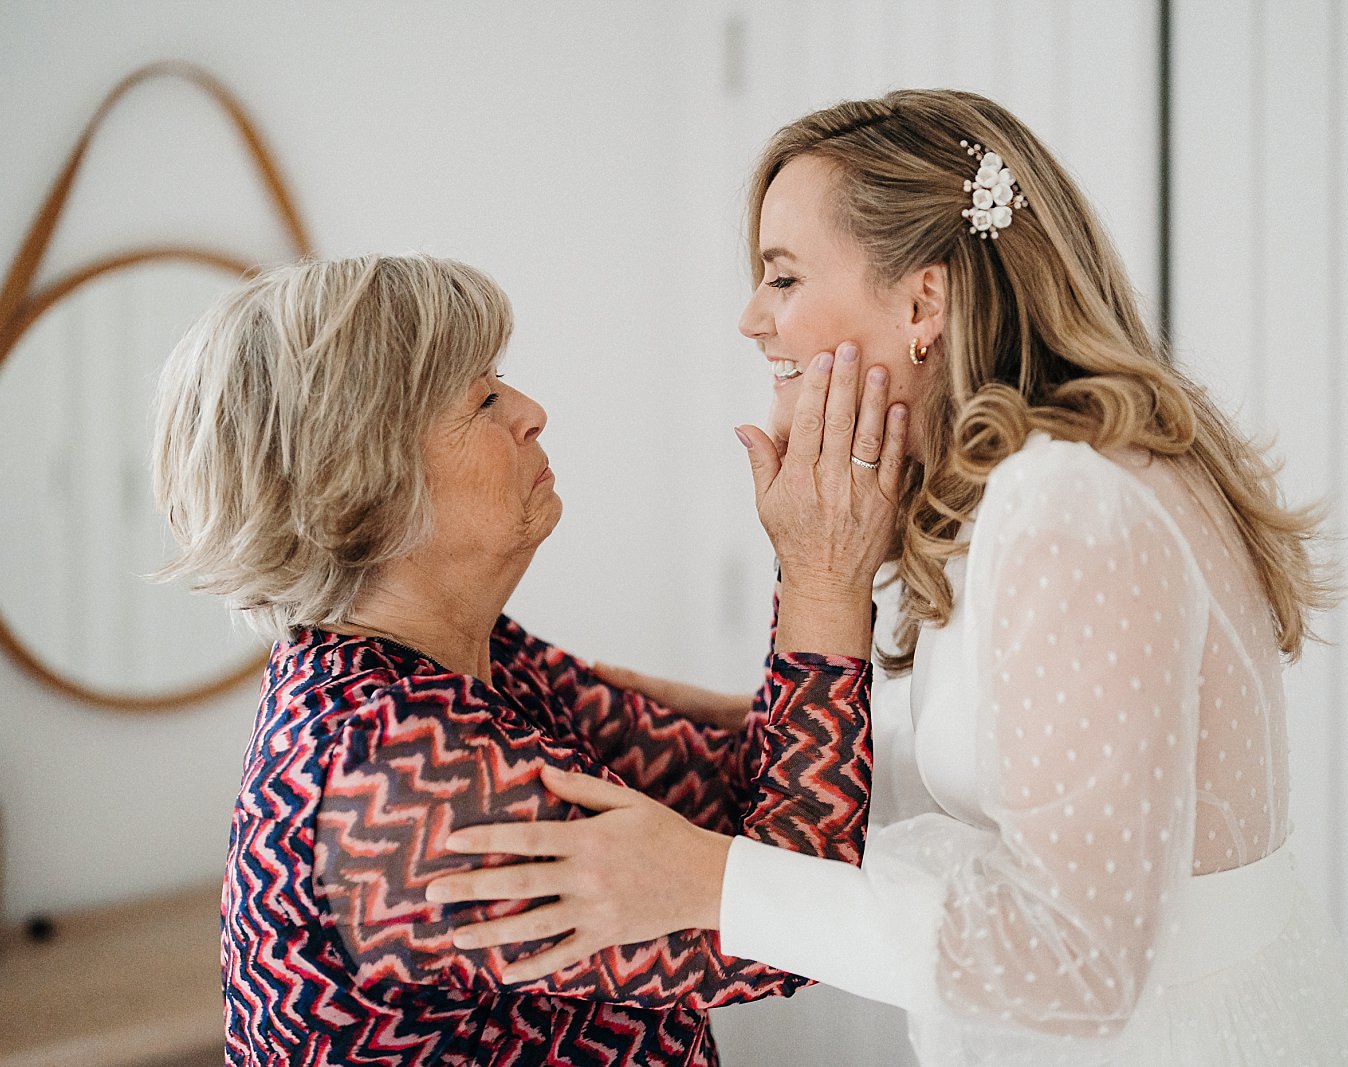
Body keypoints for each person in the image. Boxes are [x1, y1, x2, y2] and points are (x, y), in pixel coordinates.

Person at [428, 91, 1348, 1064]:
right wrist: (737, 733)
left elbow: (1080, 964)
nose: (754, 319)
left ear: (923, 303)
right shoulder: (1033, 481)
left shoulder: (1067, 503)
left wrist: (712, 881)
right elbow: (1030, 789)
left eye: (783, 277)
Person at [150, 253, 909, 1066]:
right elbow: (795, 914)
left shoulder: (466, 658)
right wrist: (824, 570)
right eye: (482, 397)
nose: (532, 411)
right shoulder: (398, 781)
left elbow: (731, 793)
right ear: (361, 480)